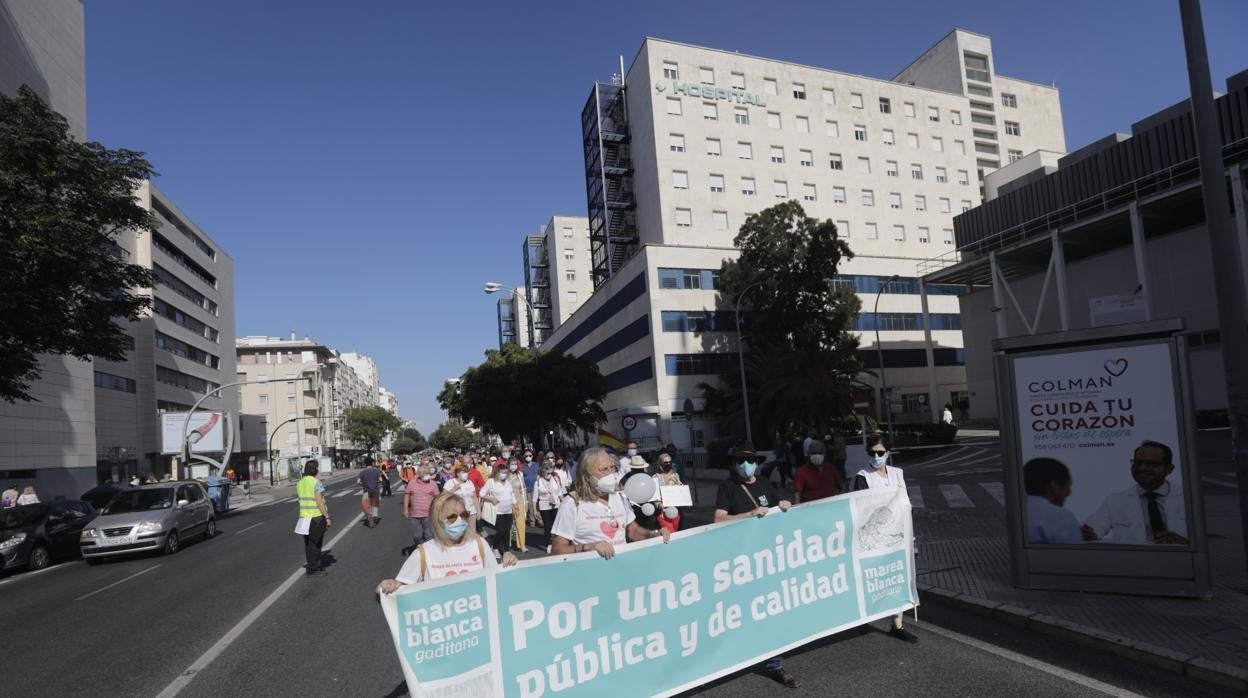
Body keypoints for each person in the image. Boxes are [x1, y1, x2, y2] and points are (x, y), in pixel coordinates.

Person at [713, 443, 796, 687]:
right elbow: (718, 519)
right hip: (740, 560)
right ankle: (737, 653)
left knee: (769, 608)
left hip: (767, 558)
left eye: (749, 460)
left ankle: (775, 662)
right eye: (739, 460)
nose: (744, 464)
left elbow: (775, 508)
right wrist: (747, 515)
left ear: (757, 462)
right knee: (743, 611)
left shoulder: (764, 483)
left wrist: (784, 507)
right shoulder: (727, 487)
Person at [377, 492, 518, 595]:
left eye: (463, 515)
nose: (460, 521)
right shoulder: (424, 553)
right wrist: (386, 586)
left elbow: (496, 581)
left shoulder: (479, 543)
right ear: (437, 520)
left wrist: (507, 564)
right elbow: (397, 591)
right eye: (451, 517)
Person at [850, 435, 918, 643]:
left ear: (888, 452)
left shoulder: (898, 473)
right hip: (873, 537)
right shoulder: (863, 476)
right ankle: (862, 616)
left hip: (898, 532)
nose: (876, 456)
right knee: (872, 578)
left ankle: (897, 624)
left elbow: (905, 499)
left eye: (880, 452)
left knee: (897, 576)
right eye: (872, 453)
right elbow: (861, 506)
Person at [550, 446, 670, 559]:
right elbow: (556, 550)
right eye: (604, 469)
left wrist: (653, 535)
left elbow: (633, 531)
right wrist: (587, 547)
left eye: (612, 467)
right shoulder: (572, 503)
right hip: (590, 574)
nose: (611, 473)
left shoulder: (620, 496)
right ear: (587, 476)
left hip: (624, 569)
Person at [1082, 440, 1188, 545]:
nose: (1142, 468)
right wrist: (1088, 534)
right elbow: (1093, 529)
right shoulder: (1115, 501)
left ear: (1169, 469)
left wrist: (1186, 543)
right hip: (1133, 560)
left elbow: (1203, 539)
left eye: (1151, 464)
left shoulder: (1190, 498)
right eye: (1137, 463)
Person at [1023, 458, 1081, 545]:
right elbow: (1075, 556)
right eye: (1068, 485)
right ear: (1054, 486)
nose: (1069, 492)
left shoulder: (1018, 510)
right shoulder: (1062, 516)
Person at [295, 460, 332, 576]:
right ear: (313, 469)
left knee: (309, 544)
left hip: (304, 518)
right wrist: (327, 516)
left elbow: (300, 500)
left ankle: (312, 566)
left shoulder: (300, 483)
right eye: (317, 468)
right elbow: (319, 501)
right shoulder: (316, 482)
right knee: (316, 544)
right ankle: (313, 568)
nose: (318, 470)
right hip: (315, 517)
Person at [478, 465, 516, 559]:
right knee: (501, 530)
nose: (504, 474)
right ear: (497, 472)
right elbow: (481, 493)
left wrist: (514, 507)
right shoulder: (491, 482)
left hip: (508, 510)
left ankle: (506, 551)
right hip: (498, 511)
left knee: (507, 531)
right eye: (502, 472)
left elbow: (512, 495)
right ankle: (495, 547)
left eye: (506, 473)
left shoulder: (507, 482)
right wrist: (491, 499)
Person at [794, 439, 844, 504]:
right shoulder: (801, 472)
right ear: (809, 454)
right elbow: (797, 495)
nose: (817, 455)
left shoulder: (830, 468)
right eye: (814, 453)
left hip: (830, 506)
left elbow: (840, 486)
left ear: (824, 454)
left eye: (820, 453)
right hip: (811, 509)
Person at [404, 464, 441, 550]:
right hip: (415, 514)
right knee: (416, 536)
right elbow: (407, 495)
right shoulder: (412, 482)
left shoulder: (433, 484)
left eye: (428, 473)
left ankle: (428, 552)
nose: (428, 476)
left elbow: (438, 498)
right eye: (425, 474)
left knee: (429, 535)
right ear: (420, 475)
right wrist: (405, 509)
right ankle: (420, 548)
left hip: (428, 514)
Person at [532, 463, 565, 553]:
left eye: (551, 473)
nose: (549, 475)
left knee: (556, 525)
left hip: (556, 505)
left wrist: (564, 503)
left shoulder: (555, 479)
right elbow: (535, 498)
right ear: (543, 472)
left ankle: (556, 542)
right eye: (547, 473)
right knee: (547, 526)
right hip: (544, 506)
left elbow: (559, 493)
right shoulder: (538, 482)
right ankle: (549, 544)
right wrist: (535, 510)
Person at [443, 464, 480, 533]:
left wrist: (478, 511)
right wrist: (454, 489)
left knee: (472, 532)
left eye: (466, 472)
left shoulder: (469, 482)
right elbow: (443, 497)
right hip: (457, 513)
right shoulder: (450, 482)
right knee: (459, 532)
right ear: (457, 473)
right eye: (463, 472)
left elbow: (474, 498)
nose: (466, 474)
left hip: (471, 511)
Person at [509, 457, 530, 552]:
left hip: (520, 501)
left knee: (521, 524)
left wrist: (526, 502)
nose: (514, 466)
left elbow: (523, 489)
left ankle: (522, 545)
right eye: (512, 464)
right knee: (508, 524)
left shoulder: (520, 474)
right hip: (508, 502)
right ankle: (507, 542)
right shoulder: (504, 475)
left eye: (515, 464)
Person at [358, 458, 383, 527]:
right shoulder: (376, 471)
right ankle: (375, 515)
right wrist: (376, 482)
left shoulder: (363, 472)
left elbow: (358, 482)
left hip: (366, 491)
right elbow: (380, 480)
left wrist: (363, 484)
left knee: (365, 505)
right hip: (375, 491)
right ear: (372, 463)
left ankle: (368, 515)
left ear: (365, 463)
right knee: (375, 504)